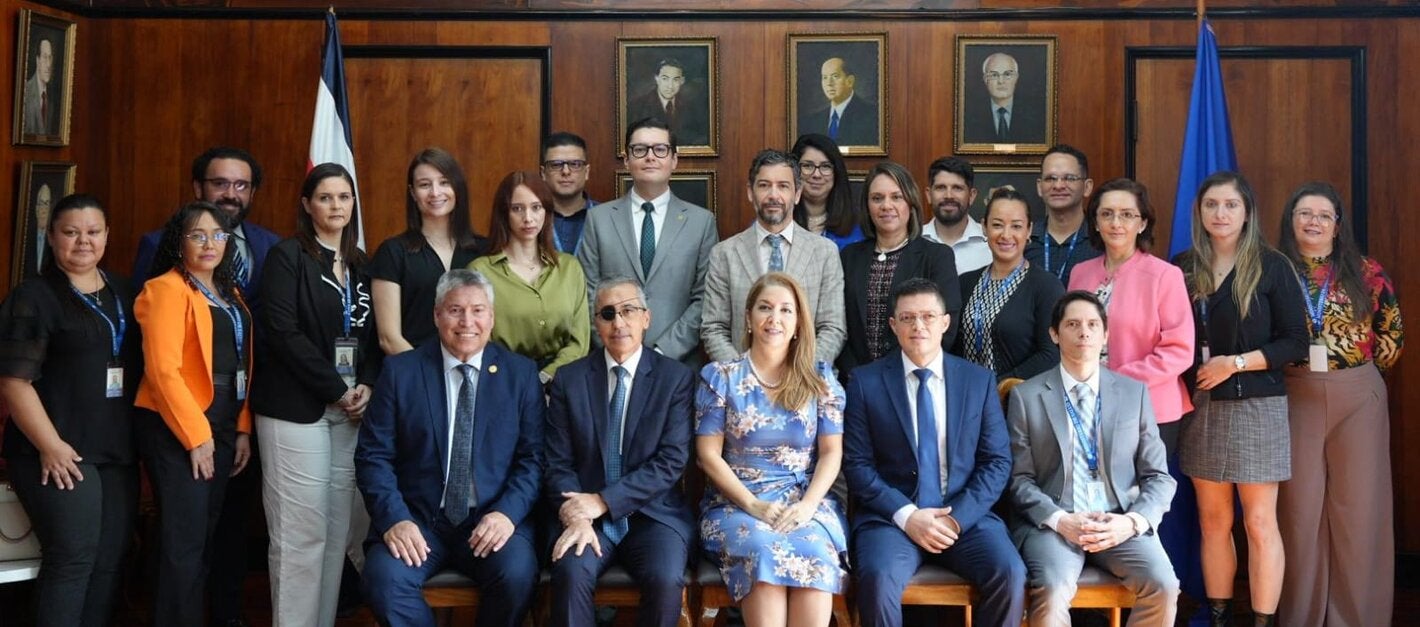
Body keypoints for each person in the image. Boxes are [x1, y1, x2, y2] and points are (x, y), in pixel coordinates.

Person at [356, 269, 544, 627]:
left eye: (477, 310)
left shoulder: (520, 375)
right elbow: (373, 457)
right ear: (437, 315)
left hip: (491, 518)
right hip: (419, 519)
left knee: (517, 575)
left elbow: (533, 460)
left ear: (491, 316)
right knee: (384, 580)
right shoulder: (400, 372)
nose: (467, 321)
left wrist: (506, 513)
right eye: (455, 310)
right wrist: (395, 518)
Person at [844, 278, 1026, 627]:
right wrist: (908, 515)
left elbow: (997, 461)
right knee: (878, 579)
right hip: (892, 520)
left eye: (928, 316)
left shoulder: (978, 380)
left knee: (1009, 573)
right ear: (894, 325)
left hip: (964, 517)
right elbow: (857, 465)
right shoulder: (865, 382)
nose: (919, 326)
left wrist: (956, 517)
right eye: (908, 318)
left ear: (945, 322)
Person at [249, 164, 382, 627]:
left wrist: (365, 381)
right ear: (307, 205)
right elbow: (283, 333)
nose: (336, 206)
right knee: (299, 536)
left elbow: (374, 336)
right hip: (296, 410)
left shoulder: (363, 264)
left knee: (335, 533)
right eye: (325, 197)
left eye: (344, 197)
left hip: (350, 413)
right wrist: (335, 388)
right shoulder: (288, 257)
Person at [0, 193, 140, 627]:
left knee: (108, 560)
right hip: (57, 451)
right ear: (51, 236)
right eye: (71, 232)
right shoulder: (34, 297)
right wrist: (51, 445)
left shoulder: (124, 291)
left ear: (107, 236)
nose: (83, 241)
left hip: (116, 450)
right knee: (73, 558)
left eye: (93, 231)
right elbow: (14, 381)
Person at [1174, 172, 1307, 627]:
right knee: (1213, 522)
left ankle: (1263, 621)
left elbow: (1295, 342)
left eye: (1230, 205)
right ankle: (1219, 616)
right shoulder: (1183, 266)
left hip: (1258, 407)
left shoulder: (1272, 266)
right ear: (1200, 211)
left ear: (1247, 212)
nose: (1220, 214)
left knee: (1258, 523)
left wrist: (1235, 362)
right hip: (1203, 408)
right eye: (1212, 205)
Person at [1006, 291, 1180, 626]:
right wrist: (1059, 520)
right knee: (1053, 589)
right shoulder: (1026, 396)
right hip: (1055, 524)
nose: (1084, 332)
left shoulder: (1134, 393)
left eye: (1092, 324)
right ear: (1055, 334)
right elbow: (1018, 480)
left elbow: (1159, 476)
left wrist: (1131, 522)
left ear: (1105, 334)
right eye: (1072, 324)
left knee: (1164, 585)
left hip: (1118, 521)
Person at [1275, 182, 1404, 627]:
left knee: (1360, 512)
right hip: (1293, 395)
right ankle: (1299, 617)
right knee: (1297, 512)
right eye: (1304, 213)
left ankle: (1360, 617)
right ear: (1290, 220)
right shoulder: (1272, 270)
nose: (1313, 222)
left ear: (1337, 224)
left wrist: (1357, 379)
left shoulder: (1367, 272)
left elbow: (1391, 339)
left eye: (1323, 215)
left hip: (1358, 399)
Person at [696, 272, 849, 625]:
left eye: (785, 310)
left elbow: (831, 453)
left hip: (804, 503)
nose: (774, 319)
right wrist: (754, 505)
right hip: (737, 505)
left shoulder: (820, 378)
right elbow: (708, 455)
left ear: (798, 323)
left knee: (812, 550)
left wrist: (808, 505)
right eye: (765, 308)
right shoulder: (721, 376)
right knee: (763, 551)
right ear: (749, 317)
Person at [544, 278, 696, 627]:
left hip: (653, 516)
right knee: (570, 571)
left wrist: (604, 500)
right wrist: (579, 515)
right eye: (608, 314)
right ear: (596, 324)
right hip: (585, 519)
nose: (619, 322)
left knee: (665, 578)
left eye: (629, 311)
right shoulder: (570, 379)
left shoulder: (675, 379)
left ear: (647, 318)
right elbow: (557, 462)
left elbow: (670, 462)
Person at [133, 201, 255, 627]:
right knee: (183, 541)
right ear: (178, 241)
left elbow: (241, 363)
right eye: (197, 235)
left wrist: (241, 427)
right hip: (177, 425)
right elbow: (163, 371)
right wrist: (197, 436)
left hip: (223, 420)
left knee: (204, 534)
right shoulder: (164, 289)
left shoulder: (230, 292)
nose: (209, 244)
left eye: (218, 235)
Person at [577, 117, 718, 366]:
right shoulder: (598, 220)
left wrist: (663, 353)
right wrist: (617, 344)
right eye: (640, 149)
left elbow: (705, 298)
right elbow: (588, 292)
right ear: (626, 160)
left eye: (660, 149)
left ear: (674, 160)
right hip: (611, 360)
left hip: (677, 366)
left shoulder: (701, 222)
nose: (650, 157)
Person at [1066, 178, 1193, 452]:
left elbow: (1179, 351)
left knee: (1143, 494)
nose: (1116, 222)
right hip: (1087, 406)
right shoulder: (1080, 273)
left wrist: (1115, 381)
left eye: (1127, 215)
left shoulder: (1165, 276)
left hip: (1148, 408)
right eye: (1107, 214)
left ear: (1142, 223)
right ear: (1096, 222)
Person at [702, 148, 846, 364]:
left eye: (783, 186)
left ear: (797, 194)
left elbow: (833, 328)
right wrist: (745, 377)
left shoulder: (824, 252)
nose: (773, 195)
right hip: (741, 388)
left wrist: (799, 374)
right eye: (764, 185)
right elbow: (713, 328)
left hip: (806, 382)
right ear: (751, 192)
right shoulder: (724, 254)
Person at [838, 161, 961, 378]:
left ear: (911, 203)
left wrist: (899, 371)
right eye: (877, 198)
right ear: (867, 206)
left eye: (896, 197)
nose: (886, 205)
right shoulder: (849, 256)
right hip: (855, 381)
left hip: (913, 378)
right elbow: (840, 323)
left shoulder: (936, 256)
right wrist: (858, 375)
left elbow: (946, 325)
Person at [470, 171, 589, 383]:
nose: (528, 218)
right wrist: (523, 383)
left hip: (563, 381)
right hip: (504, 382)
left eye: (536, 207)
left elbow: (579, 343)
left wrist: (546, 376)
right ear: (504, 213)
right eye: (517, 209)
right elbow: (479, 342)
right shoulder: (480, 272)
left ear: (547, 211)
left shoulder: (569, 268)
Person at [370, 147, 488, 354]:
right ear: (413, 193)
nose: (435, 192)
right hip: (412, 375)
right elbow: (388, 338)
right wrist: (426, 377)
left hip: (471, 375)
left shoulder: (484, 250)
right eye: (424, 185)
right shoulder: (392, 252)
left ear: (457, 188)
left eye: (444, 182)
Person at [132, 147, 281, 307]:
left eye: (241, 185)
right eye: (219, 184)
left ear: (252, 193)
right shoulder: (158, 243)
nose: (230, 195)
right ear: (198, 188)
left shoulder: (271, 244)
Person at [955, 189, 1063, 382]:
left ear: (1029, 230)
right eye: (997, 225)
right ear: (984, 227)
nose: (1006, 235)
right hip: (967, 396)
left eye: (1016, 226)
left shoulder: (1046, 286)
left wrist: (999, 387)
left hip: (1019, 400)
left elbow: (1051, 354)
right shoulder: (965, 283)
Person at [1024, 145, 1100, 286]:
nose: (1058, 186)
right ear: (1040, 187)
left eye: (1069, 178)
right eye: (1050, 178)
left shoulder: (1101, 240)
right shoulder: (1024, 240)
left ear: (1087, 187)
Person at [790, 133, 863, 249]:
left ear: (836, 173)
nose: (817, 175)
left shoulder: (858, 230)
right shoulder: (778, 221)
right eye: (807, 166)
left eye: (825, 166)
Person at [921, 156, 991, 273]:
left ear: (972, 196)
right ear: (928, 195)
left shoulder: (991, 243)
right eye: (941, 188)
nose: (949, 195)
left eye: (957, 188)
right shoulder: (913, 242)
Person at [962, 52, 1044, 145]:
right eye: (994, 75)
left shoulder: (1034, 115)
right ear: (985, 80)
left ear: (1016, 78)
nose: (1001, 81)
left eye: (1007, 74)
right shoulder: (969, 115)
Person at [800, 57, 880, 147]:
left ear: (850, 81)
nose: (829, 83)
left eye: (835, 76)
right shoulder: (813, 120)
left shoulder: (873, 115)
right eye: (825, 77)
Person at [626, 58, 708, 145]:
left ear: (682, 81)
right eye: (665, 79)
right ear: (656, 78)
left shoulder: (692, 107)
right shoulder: (637, 106)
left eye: (675, 80)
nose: (670, 86)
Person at [540, 132, 597, 254]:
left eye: (575, 164)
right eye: (556, 165)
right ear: (543, 173)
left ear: (586, 172)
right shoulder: (530, 218)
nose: (566, 171)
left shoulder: (607, 218)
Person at [21, 37, 53, 135]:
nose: (48, 64)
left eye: (50, 57)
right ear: (37, 60)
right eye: (44, 57)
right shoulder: (25, 92)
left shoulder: (52, 98)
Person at [33, 183, 52, 270]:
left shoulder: (53, 240)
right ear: (36, 209)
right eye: (41, 204)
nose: (44, 209)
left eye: (47, 204)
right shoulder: (25, 237)